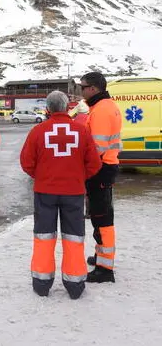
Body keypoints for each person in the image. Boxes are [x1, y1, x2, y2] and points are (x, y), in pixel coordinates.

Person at [20, 91, 101, 299]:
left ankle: (42, 283)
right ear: (67, 107)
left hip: (45, 193)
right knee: (74, 237)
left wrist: (43, 177)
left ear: (47, 109)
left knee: (44, 237)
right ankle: (75, 286)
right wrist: (78, 177)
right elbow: (94, 164)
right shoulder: (81, 131)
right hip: (73, 193)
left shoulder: (38, 131)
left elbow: (27, 163)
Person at [79, 72, 122, 283]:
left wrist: (85, 169)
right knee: (100, 215)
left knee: (102, 217)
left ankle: (105, 269)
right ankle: (100, 257)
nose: (81, 91)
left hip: (101, 169)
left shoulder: (102, 110)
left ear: (93, 88)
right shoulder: (102, 107)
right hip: (105, 167)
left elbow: (97, 148)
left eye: (83, 87)